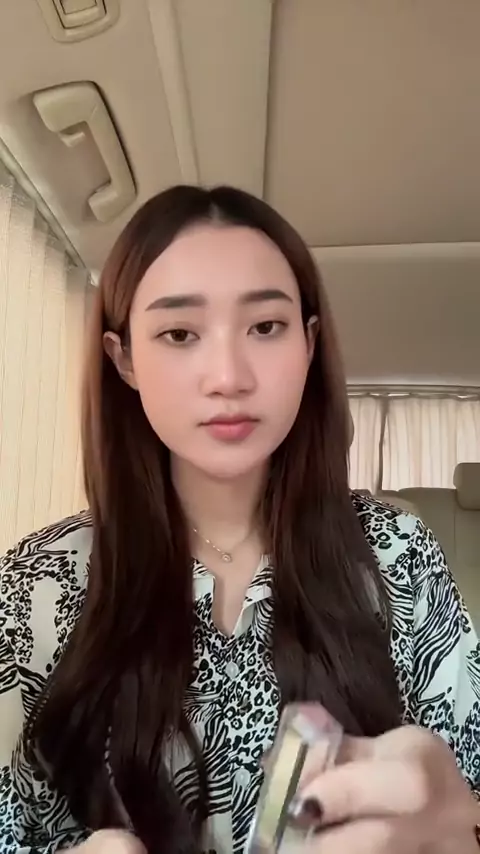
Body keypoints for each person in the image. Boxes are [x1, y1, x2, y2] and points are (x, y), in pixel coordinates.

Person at [0, 185, 479, 854]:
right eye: (179, 334)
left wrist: (464, 831)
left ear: (309, 344)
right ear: (124, 358)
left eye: (265, 327)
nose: (228, 376)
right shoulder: (35, 585)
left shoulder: (399, 555)